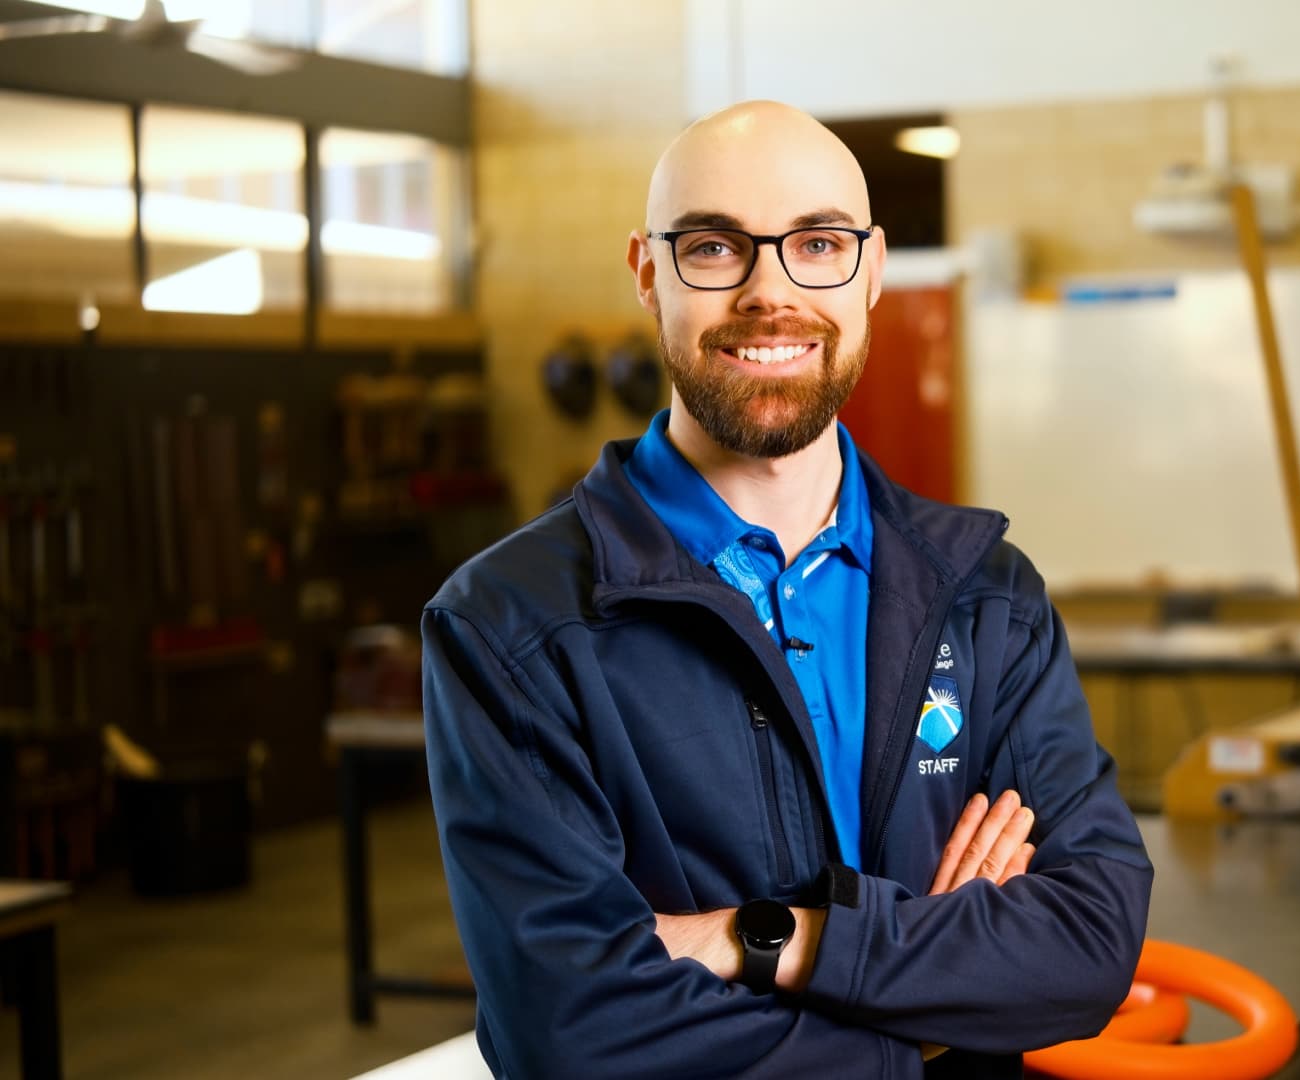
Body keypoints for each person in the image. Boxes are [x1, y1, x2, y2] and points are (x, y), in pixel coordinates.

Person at [422, 100, 1153, 1079]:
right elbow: (574, 1034)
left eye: (817, 243)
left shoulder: (987, 599)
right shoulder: (510, 629)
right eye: (716, 246)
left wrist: (766, 939)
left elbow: (1091, 942)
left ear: (872, 271)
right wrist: (937, 1016)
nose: (771, 292)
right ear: (649, 273)